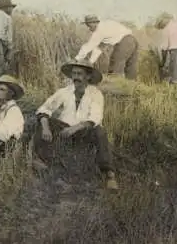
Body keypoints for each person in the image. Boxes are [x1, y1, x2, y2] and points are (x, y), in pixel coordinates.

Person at [32, 59, 118, 190]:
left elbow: (95, 117)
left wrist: (75, 128)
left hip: (84, 130)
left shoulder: (95, 94)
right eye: (74, 74)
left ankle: (109, 174)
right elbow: (45, 108)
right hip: (64, 128)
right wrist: (45, 127)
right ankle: (40, 161)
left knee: (100, 132)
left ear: (88, 76)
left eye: (79, 74)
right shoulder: (64, 91)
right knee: (43, 121)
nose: (76, 77)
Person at [75, 15, 139, 80]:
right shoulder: (105, 26)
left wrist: (77, 59)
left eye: (89, 26)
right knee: (131, 67)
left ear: (94, 23)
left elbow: (88, 47)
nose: (89, 28)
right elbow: (99, 48)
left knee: (115, 64)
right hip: (133, 40)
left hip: (124, 42)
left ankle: (113, 84)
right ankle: (132, 86)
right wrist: (91, 62)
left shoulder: (99, 30)